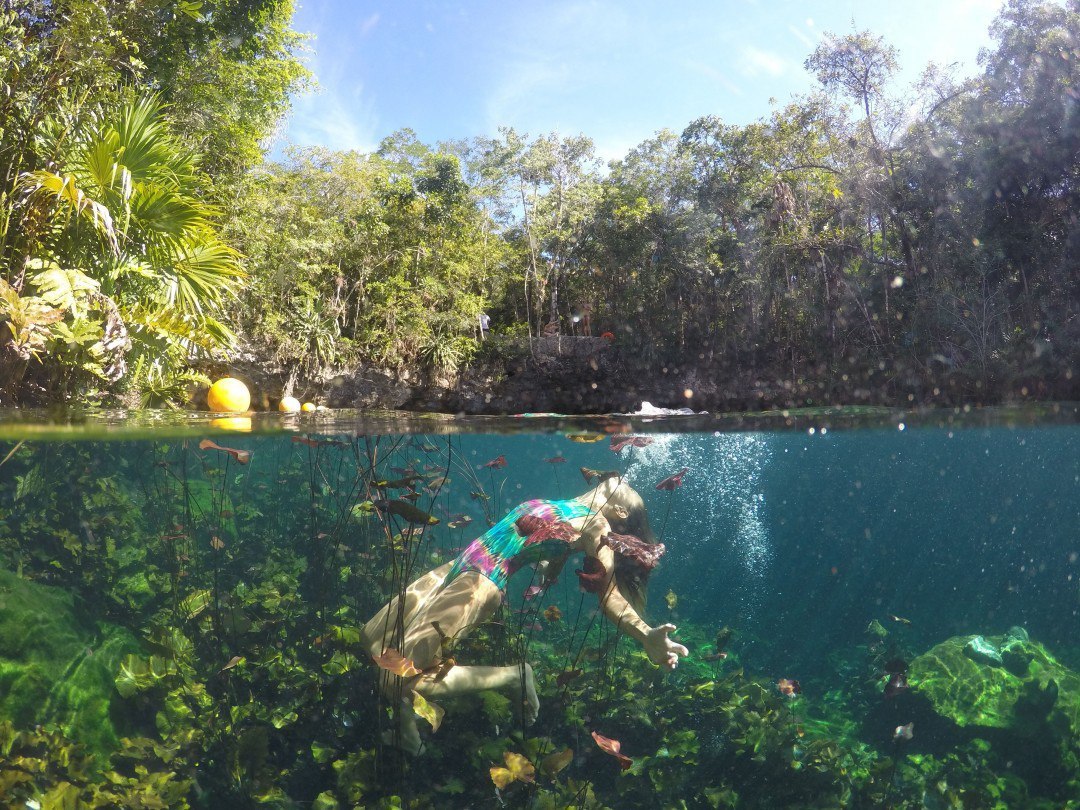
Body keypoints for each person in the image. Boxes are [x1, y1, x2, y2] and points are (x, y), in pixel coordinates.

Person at [361, 476, 687, 754]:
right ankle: (408, 732)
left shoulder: (598, 525)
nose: (625, 478)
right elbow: (549, 542)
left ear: (620, 510)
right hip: (456, 567)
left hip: (480, 583)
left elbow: (610, 595)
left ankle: (514, 676)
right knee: (373, 637)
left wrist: (645, 634)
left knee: (397, 677)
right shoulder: (562, 504)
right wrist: (550, 564)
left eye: (631, 490)